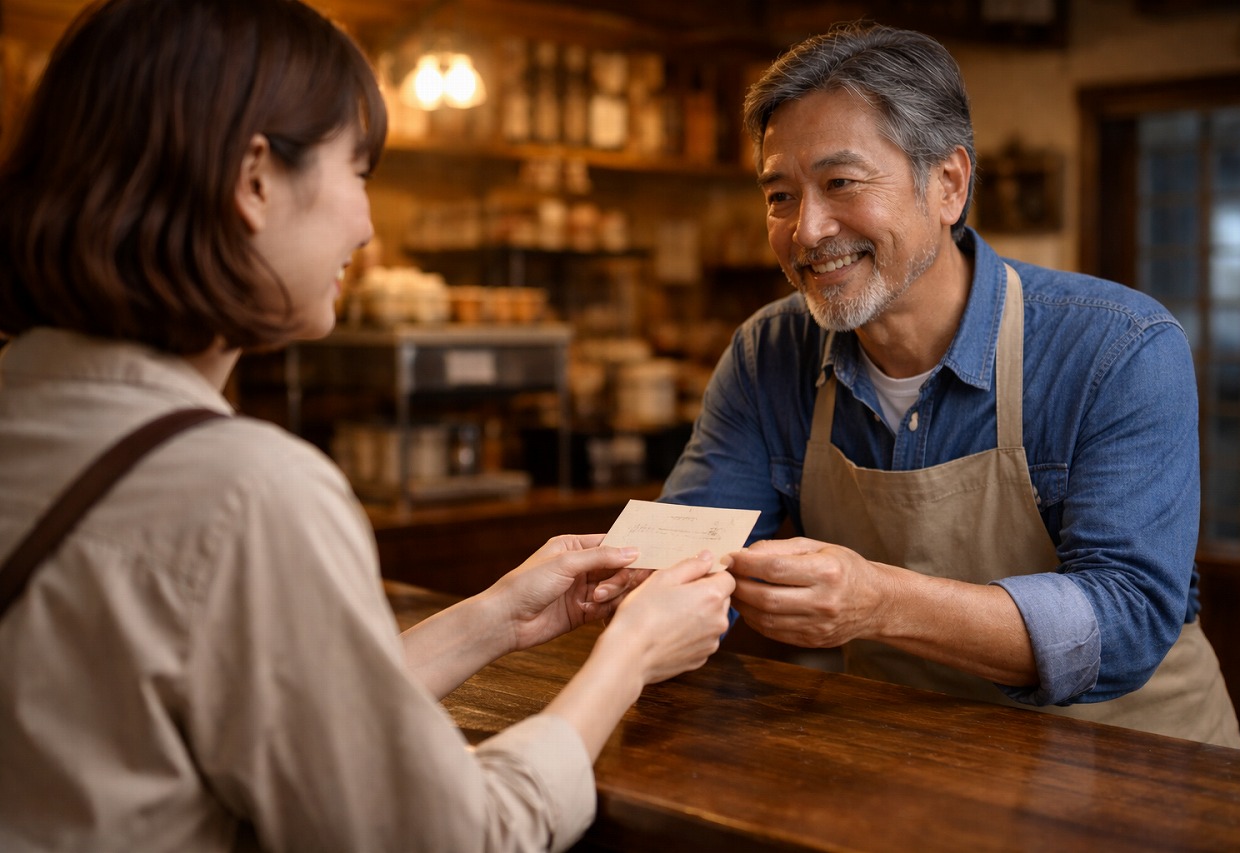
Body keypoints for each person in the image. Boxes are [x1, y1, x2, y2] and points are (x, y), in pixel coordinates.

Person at [0, 1, 735, 850]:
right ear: (254, 180)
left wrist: (495, 618)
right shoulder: (248, 492)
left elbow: (276, 719)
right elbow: (452, 836)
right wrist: (630, 656)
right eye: (357, 171)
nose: (367, 224)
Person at [660, 21, 1240, 748]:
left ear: (949, 185)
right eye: (780, 195)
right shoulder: (768, 354)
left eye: (841, 183)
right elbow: (683, 559)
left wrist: (880, 602)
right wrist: (626, 583)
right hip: (909, 757)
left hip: (1134, 760)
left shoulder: (1117, 347)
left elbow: (1126, 621)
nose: (806, 230)